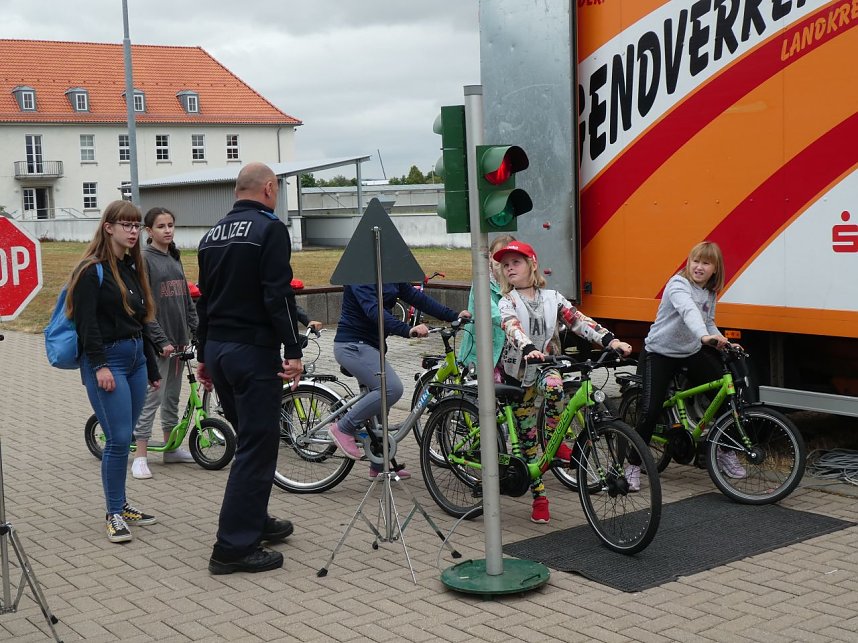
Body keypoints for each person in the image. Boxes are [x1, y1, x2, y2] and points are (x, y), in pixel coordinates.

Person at [196, 162, 304, 575]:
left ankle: (254, 520)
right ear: (269, 189)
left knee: (250, 442)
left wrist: (204, 354)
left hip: (221, 352)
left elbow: (204, 300)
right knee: (257, 447)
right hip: (252, 352)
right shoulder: (269, 229)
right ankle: (233, 548)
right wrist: (292, 348)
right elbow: (276, 295)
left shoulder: (210, 236)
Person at [494, 241, 631, 524]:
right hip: (517, 375)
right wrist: (528, 346)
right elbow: (511, 326)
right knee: (527, 445)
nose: (509, 268)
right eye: (505, 264)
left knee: (556, 387)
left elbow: (579, 321)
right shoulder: (507, 301)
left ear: (532, 263)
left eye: (515, 262)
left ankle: (558, 439)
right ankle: (540, 497)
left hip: (546, 367)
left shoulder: (553, 298)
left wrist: (611, 340)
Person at [66, 200, 161, 544]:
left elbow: (141, 322)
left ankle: (122, 504)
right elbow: (85, 324)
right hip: (108, 361)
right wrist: (100, 365)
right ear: (108, 227)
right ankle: (113, 513)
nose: (133, 231)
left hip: (135, 358)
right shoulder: (92, 270)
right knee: (118, 439)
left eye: (137, 226)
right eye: (127, 225)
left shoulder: (131, 268)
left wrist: (150, 366)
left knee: (127, 434)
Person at [626, 240, 746, 490]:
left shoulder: (710, 293)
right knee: (650, 410)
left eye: (706, 263)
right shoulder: (678, 284)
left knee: (727, 394)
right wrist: (703, 337)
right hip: (659, 353)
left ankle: (724, 451)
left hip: (690, 351)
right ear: (688, 263)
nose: (699, 267)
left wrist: (721, 341)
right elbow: (688, 311)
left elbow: (708, 321)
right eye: (695, 261)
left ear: (715, 269)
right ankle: (633, 465)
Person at [328, 282, 470, 478]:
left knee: (380, 407)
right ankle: (343, 427)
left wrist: (454, 316)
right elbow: (373, 311)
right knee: (391, 389)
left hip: (372, 348)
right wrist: (407, 329)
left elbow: (418, 299)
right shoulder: (359, 276)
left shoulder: (390, 274)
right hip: (353, 345)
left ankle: (380, 464)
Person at [131, 207, 199, 480]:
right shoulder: (145, 259)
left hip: (179, 341)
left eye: (171, 225)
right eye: (161, 226)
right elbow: (145, 306)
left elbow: (185, 299)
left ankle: (170, 449)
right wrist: (160, 340)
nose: (168, 230)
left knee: (172, 396)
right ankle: (140, 456)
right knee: (153, 398)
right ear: (149, 231)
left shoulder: (174, 256)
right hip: (159, 343)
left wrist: (194, 329)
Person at [457, 234, 516, 381]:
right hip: (481, 351)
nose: (503, 263)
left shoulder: (513, 281)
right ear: (490, 257)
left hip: (506, 353)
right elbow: (492, 311)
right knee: (484, 393)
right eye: (499, 257)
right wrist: (512, 322)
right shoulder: (481, 281)